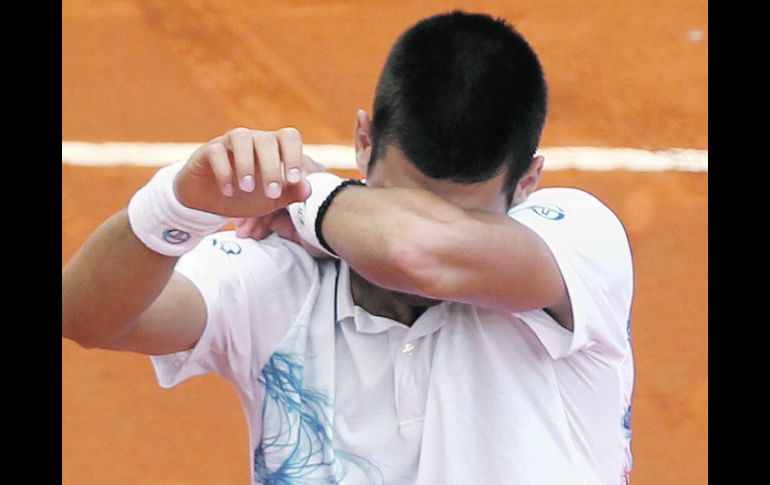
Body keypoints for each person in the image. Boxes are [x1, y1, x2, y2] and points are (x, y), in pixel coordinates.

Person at [62, 10, 634, 484]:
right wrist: (176, 203)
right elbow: (87, 318)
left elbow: (416, 251)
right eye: (402, 196)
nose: (420, 219)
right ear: (363, 141)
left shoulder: (575, 240)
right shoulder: (276, 275)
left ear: (529, 183)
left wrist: (313, 192)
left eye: (462, 215)